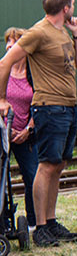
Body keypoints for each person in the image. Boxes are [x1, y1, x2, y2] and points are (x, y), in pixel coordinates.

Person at [0, 0, 77, 247]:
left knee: (58, 166)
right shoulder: (38, 32)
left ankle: (50, 221)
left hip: (69, 107)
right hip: (49, 107)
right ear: (66, 8)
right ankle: (40, 227)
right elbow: (4, 63)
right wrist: (2, 98)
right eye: (72, 3)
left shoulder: (62, 32)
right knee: (47, 166)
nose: (73, 7)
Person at [3, 28, 37, 228]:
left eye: (14, 42)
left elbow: (40, 102)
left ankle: (33, 222)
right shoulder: (2, 69)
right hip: (3, 132)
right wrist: (6, 128)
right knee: (2, 179)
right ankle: (4, 221)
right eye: (8, 42)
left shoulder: (33, 73)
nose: (9, 46)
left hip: (25, 134)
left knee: (32, 176)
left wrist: (28, 129)